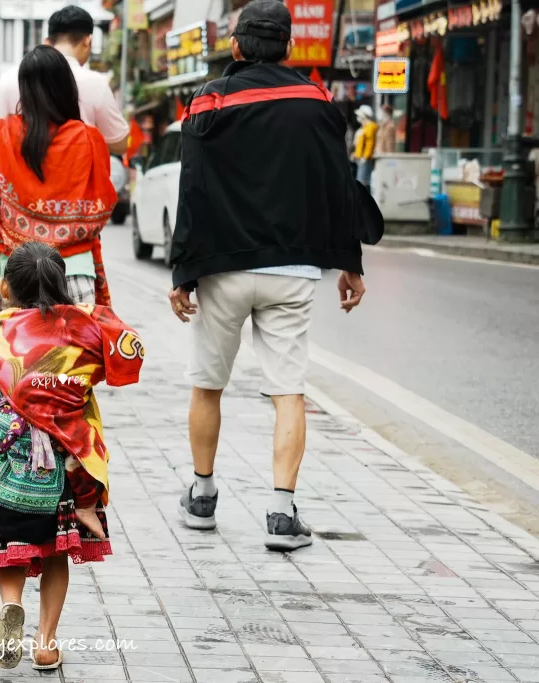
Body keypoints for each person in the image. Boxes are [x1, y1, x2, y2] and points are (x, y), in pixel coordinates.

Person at [168, 0, 369, 551]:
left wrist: (183, 270)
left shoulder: (209, 98)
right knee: (288, 392)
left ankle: (203, 498)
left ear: (236, 46)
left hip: (221, 269)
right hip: (292, 269)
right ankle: (282, 515)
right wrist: (350, 262)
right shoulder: (317, 101)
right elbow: (337, 186)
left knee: (208, 384)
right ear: (288, 47)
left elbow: (194, 188)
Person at [0, 242, 144, 671]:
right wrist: (88, 312)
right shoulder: (84, 335)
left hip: (5, 467)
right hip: (63, 472)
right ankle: (45, 642)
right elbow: (127, 350)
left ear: (5, 288)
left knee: (9, 549)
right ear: (63, 287)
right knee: (56, 553)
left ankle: (10, 606)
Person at [0, 45, 117, 334]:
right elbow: (103, 205)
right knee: (74, 372)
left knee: (17, 370)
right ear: (67, 87)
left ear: (23, 89)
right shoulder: (89, 139)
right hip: (75, 272)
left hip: (16, 276)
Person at [0, 6, 129, 155]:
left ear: (47, 42)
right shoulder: (96, 83)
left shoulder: (11, 77)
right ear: (87, 40)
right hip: (75, 178)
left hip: (18, 179)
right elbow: (120, 143)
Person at [353, 104, 378, 187]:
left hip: (365, 159)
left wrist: (365, 157)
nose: (358, 117)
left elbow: (370, 144)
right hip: (361, 158)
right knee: (360, 179)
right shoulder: (364, 127)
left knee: (362, 180)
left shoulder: (370, 127)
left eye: (359, 115)